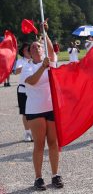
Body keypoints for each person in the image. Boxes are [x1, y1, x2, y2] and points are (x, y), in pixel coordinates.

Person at [21, 21, 64, 191]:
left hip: (51, 108)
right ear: (30, 53)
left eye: (38, 47)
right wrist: (42, 67)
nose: (36, 49)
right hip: (35, 110)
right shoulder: (27, 67)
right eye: (33, 48)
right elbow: (31, 81)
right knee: (39, 144)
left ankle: (55, 175)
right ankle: (38, 177)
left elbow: (52, 51)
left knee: (53, 143)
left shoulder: (49, 61)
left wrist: (44, 32)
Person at [15, 42, 33, 142]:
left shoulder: (35, 61)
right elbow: (16, 71)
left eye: (29, 49)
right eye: (26, 49)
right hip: (23, 89)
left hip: (33, 89)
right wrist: (27, 64)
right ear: (23, 51)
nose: (28, 51)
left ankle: (34, 132)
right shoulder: (21, 61)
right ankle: (27, 133)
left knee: (34, 111)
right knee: (25, 113)